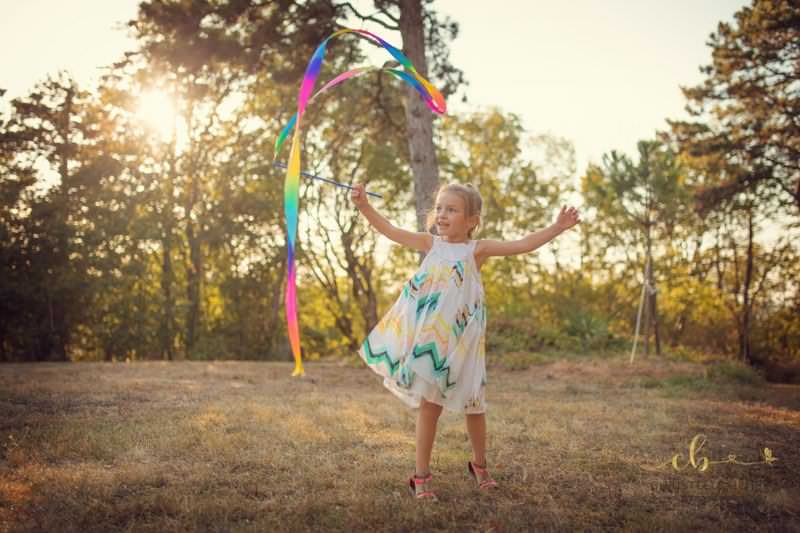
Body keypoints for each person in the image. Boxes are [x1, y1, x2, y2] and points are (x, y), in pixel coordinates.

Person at [350, 181, 580, 500]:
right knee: (430, 407)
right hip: (432, 346)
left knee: (475, 406)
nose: (442, 214)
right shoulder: (430, 244)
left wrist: (556, 227)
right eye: (439, 208)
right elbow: (390, 230)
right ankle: (420, 476)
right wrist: (364, 206)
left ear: (472, 220)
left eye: (452, 210)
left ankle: (479, 465)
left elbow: (523, 244)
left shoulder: (477, 250)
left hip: (464, 343)